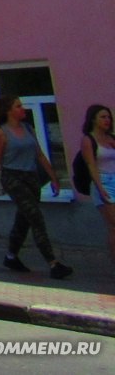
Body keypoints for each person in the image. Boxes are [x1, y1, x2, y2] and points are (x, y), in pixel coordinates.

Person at [0, 96, 73, 279]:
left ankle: (11, 256)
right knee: (35, 217)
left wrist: (54, 178)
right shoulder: (1, 133)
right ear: (9, 111)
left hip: (31, 177)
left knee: (24, 219)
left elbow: (39, 155)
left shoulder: (28, 128)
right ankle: (53, 263)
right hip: (13, 178)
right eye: (18, 106)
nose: (23, 109)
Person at [81, 104, 115, 268]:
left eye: (108, 117)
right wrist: (100, 188)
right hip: (103, 183)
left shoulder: (112, 139)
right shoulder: (89, 140)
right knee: (114, 224)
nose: (107, 120)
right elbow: (91, 165)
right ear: (93, 119)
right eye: (103, 117)